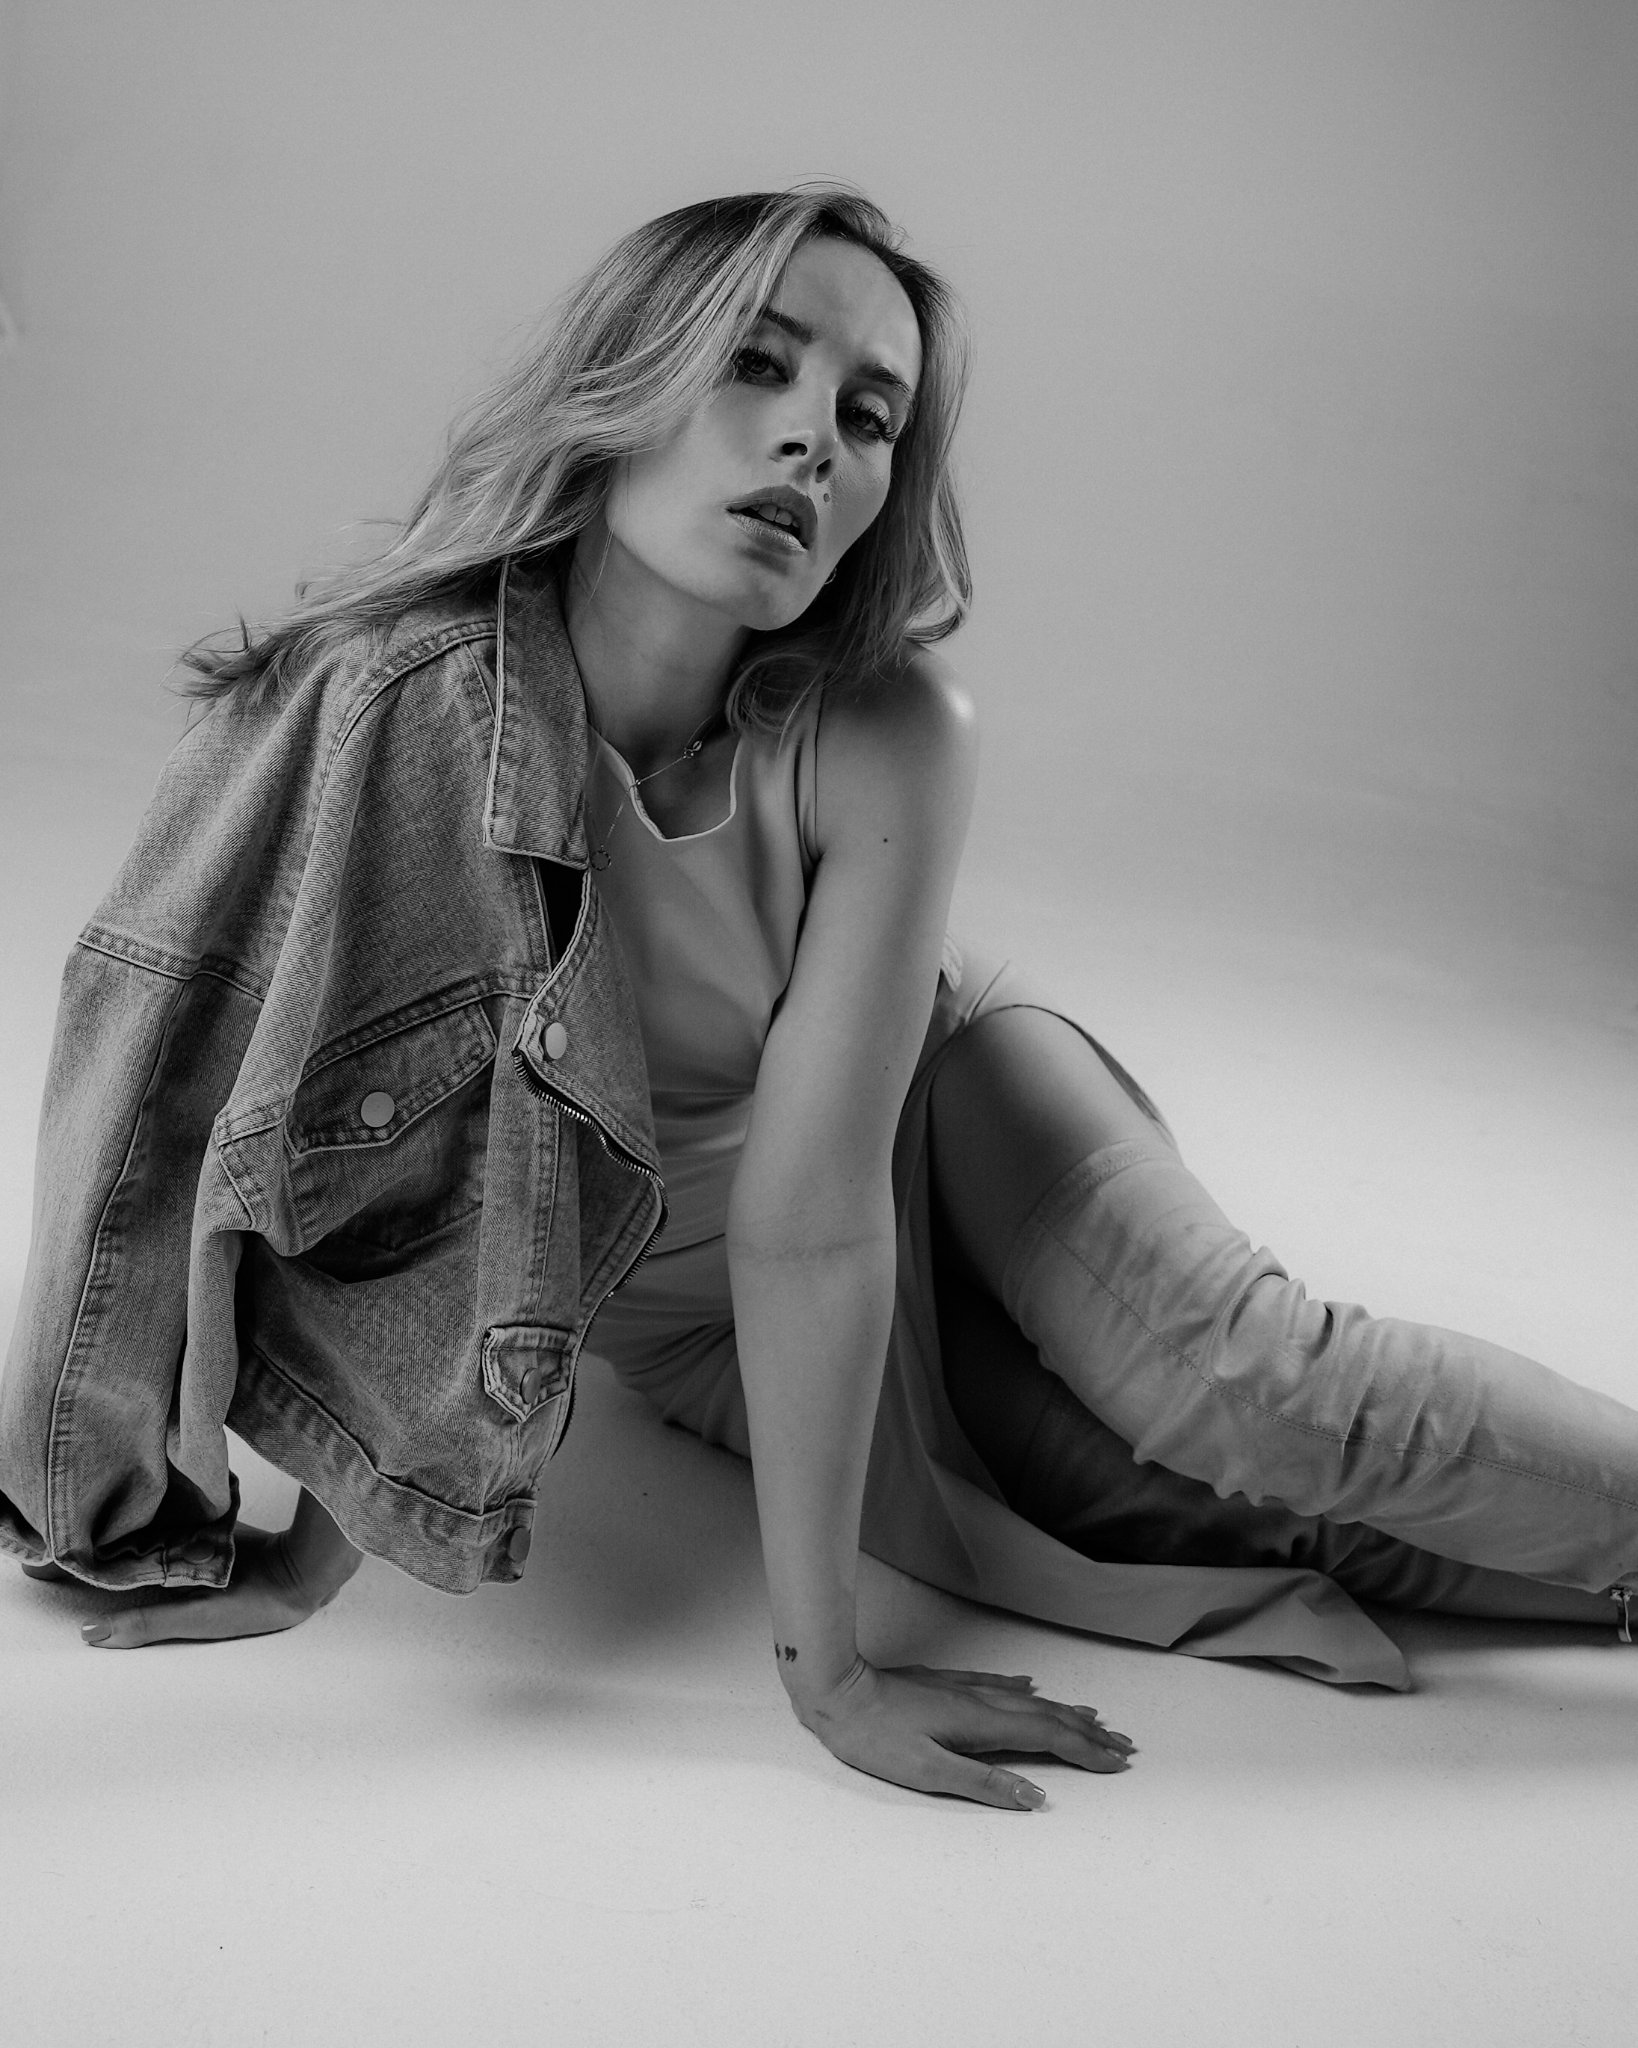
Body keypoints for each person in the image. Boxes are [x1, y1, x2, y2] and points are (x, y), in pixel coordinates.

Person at [4, 187, 1635, 1815]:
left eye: (868, 417)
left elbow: (811, 1221)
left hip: (933, 1109)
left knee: (1231, 1388)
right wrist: (320, 1549)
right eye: (757, 366)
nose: (812, 442)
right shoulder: (402, 713)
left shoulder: (884, 733)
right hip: (679, 1315)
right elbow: (342, 1158)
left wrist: (828, 1678)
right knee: (1138, 1506)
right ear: (621, 383)